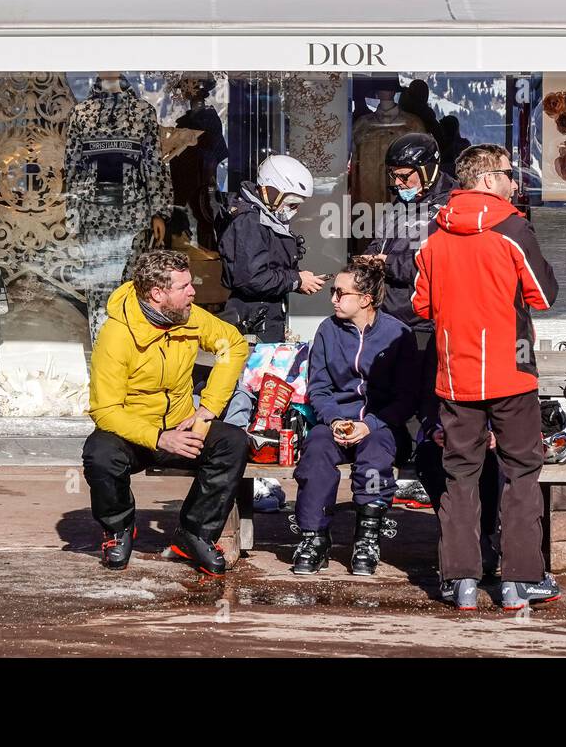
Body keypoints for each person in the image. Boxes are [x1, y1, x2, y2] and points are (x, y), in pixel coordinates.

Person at [413, 143, 561, 611]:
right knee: (521, 472)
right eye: (509, 174)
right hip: (511, 372)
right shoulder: (514, 228)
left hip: (456, 375)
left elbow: (421, 305)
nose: (515, 183)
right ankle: (520, 580)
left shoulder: (434, 236)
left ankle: (461, 583)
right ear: (488, 179)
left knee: (460, 475)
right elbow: (543, 295)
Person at [364, 133, 502, 567]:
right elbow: (382, 248)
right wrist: (370, 260)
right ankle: (409, 464)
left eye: (405, 176)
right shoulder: (399, 206)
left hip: (429, 322)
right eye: (394, 177)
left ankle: (472, 526)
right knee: (396, 403)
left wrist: (389, 265)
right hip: (394, 319)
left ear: (426, 170)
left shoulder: (448, 207)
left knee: (433, 408)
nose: (399, 183)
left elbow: (433, 263)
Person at [82, 249, 250, 575]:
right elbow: (105, 410)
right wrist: (159, 439)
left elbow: (233, 344)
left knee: (232, 442)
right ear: (158, 294)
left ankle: (195, 533)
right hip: (133, 434)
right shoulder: (116, 335)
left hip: (181, 422)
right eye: (184, 287)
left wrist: (207, 411)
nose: (193, 292)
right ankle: (118, 528)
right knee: (99, 454)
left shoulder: (187, 316)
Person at [290, 258, 417, 577]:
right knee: (316, 449)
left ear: (365, 299)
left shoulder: (397, 333)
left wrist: (370, 424)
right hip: (336, 422)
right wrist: (333, 420)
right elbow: (318, 388)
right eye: (333, 292)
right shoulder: (327, 331)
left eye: (339, 293)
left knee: (374, 453)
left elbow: (408, 397)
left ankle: (367, 537)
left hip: (382, 426)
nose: (332, 298)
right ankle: (314, 537)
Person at [218, 154, 325, 342]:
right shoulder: (250, 221)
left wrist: (298, 278)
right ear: (272, 191)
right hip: (251, 318)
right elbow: (251, 278)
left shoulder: (264, 216)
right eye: (292, 203)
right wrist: (296, 280)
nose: (294, 210)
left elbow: (269, 264)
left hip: (261, 313)